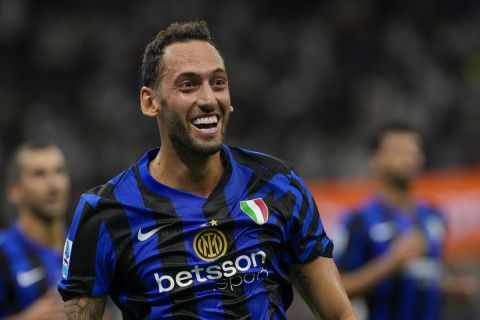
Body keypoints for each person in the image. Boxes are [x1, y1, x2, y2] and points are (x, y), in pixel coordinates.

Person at [58, 20, 356, 319]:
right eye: (188, 85)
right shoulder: (105, 214)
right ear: (150, 102)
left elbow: (340, 314)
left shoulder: (278, 185)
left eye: (218, 83)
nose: (208, 99)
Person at [334, 123, 450, 320]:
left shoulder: (434, 216)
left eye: (415, 150)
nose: (410, 157)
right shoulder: (358, 221)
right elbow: (336, 288)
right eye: (399, 150)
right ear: (375, 160)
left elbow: (425, 276)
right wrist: (389, 264)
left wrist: (450, 287)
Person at [0, 141, 69, 319]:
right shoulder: (3, 254)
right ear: (14, 190)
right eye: (39, 174)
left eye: (59, 172)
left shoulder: (87, 247)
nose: (53, 185)